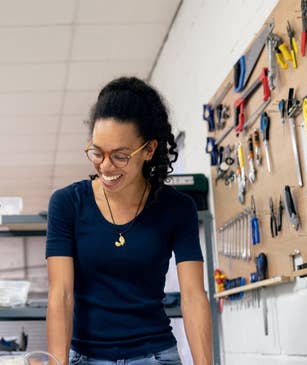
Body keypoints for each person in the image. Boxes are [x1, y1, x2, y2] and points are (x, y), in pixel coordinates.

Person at [45, 77, 213, 365]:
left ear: (148, 150)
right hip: (86, 357)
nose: (105, 166)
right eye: (97, 152)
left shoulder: (176, 208)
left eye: (120, 156)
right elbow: (61, 294)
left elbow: (194, 296)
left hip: (156, 355)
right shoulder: (67, 204)